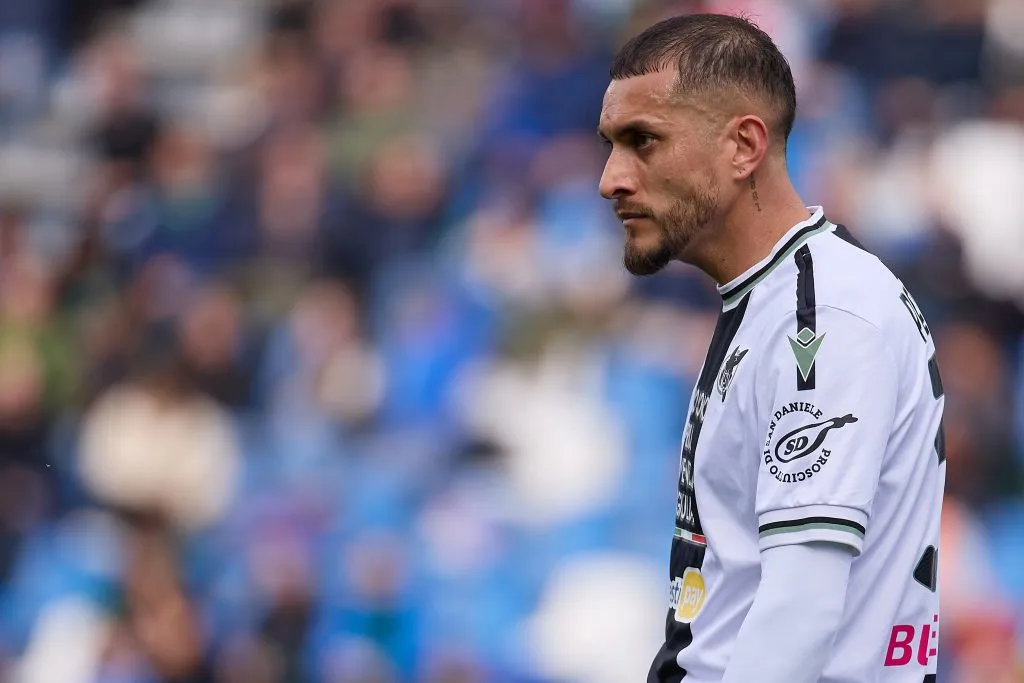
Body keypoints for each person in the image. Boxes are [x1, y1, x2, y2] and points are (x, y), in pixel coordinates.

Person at [596, 14, 945, 683]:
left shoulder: (823, 316)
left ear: (743, 145)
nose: (612, 178)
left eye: (644, 141)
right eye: (612, 144)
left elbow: (799, 613)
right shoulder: (777, 299)